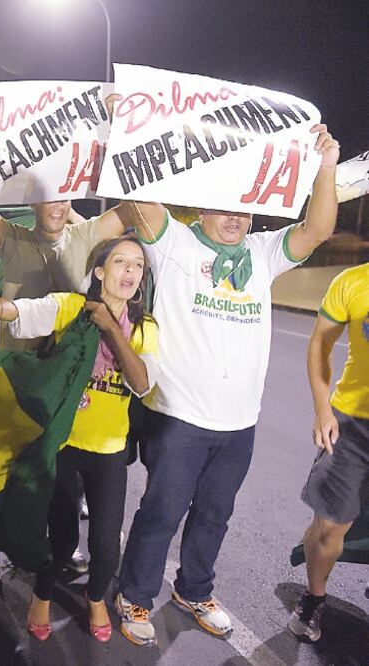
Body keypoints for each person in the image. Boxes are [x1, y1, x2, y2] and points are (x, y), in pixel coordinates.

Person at [111, 123, 340, 647]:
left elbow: (318, 229)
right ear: (202, 210)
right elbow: (136, 197)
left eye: (243, 210)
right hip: (180, 417)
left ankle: (195, 589)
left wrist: (325, 166)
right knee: (162, 512)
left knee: (216, 514)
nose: (235, 218)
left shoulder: (264, 251)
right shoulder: (172, 242)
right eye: (223, 208)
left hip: (240, 423)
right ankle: (136, 596)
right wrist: (126, 130)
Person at [0, 235, 157, 642]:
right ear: (100, 272)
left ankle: (97, 598)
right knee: (63, 535)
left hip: (108, 450)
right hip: (63, 446)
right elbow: (13, 309)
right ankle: (43, 594)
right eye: (120, 262)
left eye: (138, 265)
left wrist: (111, 328)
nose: (130, 271)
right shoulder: (72, 308)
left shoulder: (145, 328)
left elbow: (140, 383)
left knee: (105, 546)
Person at [0, 126, 127, 582]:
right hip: (20, 373)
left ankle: (55, 546)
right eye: (49, 198)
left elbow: (133, 209)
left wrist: (124, 135)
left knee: (55, 469)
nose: (59, 206)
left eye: (65, 198)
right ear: (32, 204)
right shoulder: (11, 238)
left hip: (67, 375)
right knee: (8, 461)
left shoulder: (87, 235)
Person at [289, 260, 369, 642]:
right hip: (353, 423)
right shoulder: (353, 282)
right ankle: (313, 599)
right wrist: (323, 410)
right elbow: (321, 342)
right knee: (330, 524)